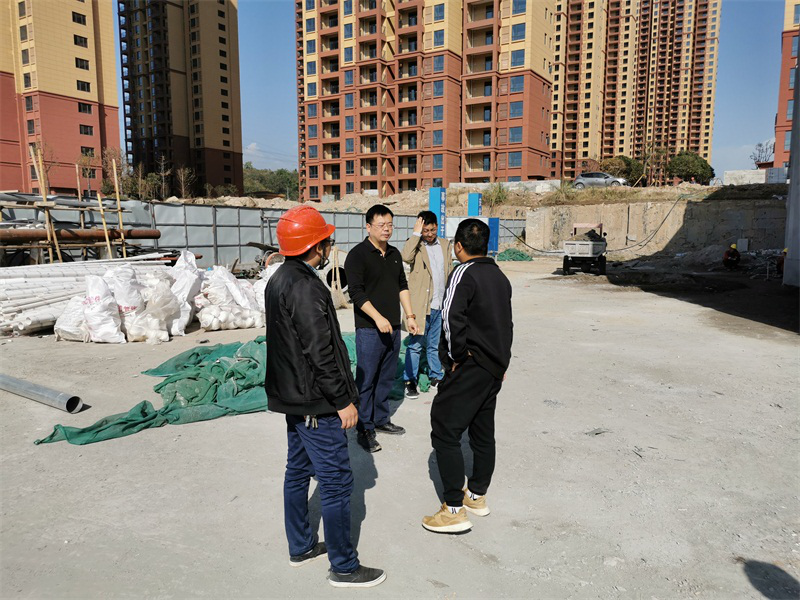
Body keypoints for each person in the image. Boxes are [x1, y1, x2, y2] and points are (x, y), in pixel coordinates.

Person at [265, 205, 385, 588]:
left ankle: (300, 546)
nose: (329, 247)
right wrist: (342, 400)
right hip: (317, 402)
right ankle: (344, 566)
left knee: (298, 471)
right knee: (335, 482)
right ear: (316, 246)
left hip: (295, 399)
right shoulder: (305, 286)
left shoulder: (279, 278)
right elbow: (320, 351)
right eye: (326, 241)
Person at [423, 219, 513, 534]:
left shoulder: (463, 273)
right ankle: (476, 495)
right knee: (482, 430)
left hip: (471, 364)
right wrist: (502, 363)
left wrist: (455, 357)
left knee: (444, 428)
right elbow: (506, 323)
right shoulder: (500, 276)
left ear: (458, 246)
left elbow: (451, 317)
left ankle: (453, 509)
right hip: (494, 367)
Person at [344, 204, 419, 453]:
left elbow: (402, 286)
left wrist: (410, 316)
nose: (386, 229)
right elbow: (356, 293)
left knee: (386, 377)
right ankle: (364, 428)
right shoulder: (357, 255)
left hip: (393, 327)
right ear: (368, 227)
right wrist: (377, 318)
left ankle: (380, 419)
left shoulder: (395, 254)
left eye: (390, 225)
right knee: (367, 379)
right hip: (369, 329)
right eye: (381, 225)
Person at [401, 211, 453, 398]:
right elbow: (405, 257)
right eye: (425, 231)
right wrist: (416, 234)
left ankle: (435, 376)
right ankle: (410, 381)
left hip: (439, 303)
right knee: (415, 346)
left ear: (437, 227)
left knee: (433, 344)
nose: (429, 234)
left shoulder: (445, 245)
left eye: (432, 230)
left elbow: (449, 271)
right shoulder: (416, 245)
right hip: (421, 305)